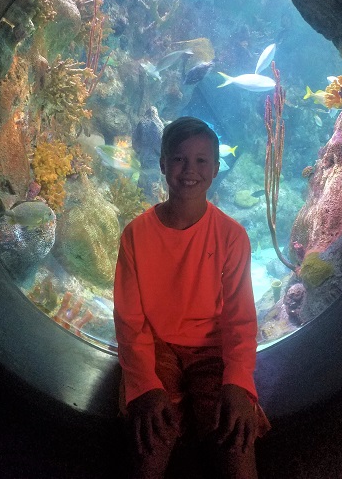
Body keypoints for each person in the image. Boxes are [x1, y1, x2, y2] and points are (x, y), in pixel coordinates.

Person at [114, 116, 271, 479]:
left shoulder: (232, 236)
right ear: (162, 164)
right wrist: (144, 384)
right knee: (151, 443)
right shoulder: (135, 234)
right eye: (179, 159)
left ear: (215, 168)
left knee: (235, 441)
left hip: (212, 348)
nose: (189, 170)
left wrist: (238, 382)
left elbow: (240, 319)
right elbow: (129, 320)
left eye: (201, 160)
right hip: (155, 347)